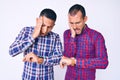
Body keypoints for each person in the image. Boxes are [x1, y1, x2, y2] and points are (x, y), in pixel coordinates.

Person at [9, 8, 62, 80]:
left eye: (49, 27)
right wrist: (33, 36)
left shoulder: (55, 37)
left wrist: (39, 59)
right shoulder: (26, 31)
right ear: (38, 21)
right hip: (28, 77)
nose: (45, 30)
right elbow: (12, 51)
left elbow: (59, 58)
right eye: (43, 25)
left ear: (53, 25)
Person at [60, 4, 108, 80]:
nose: (74, 27)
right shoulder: (67, 33)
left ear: (85, 19)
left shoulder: (96, 36)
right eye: (71, 23)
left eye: (78, 22)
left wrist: (75, 62)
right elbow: (67, 56)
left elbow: (103, 62)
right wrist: (73, 36)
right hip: (69, 78)